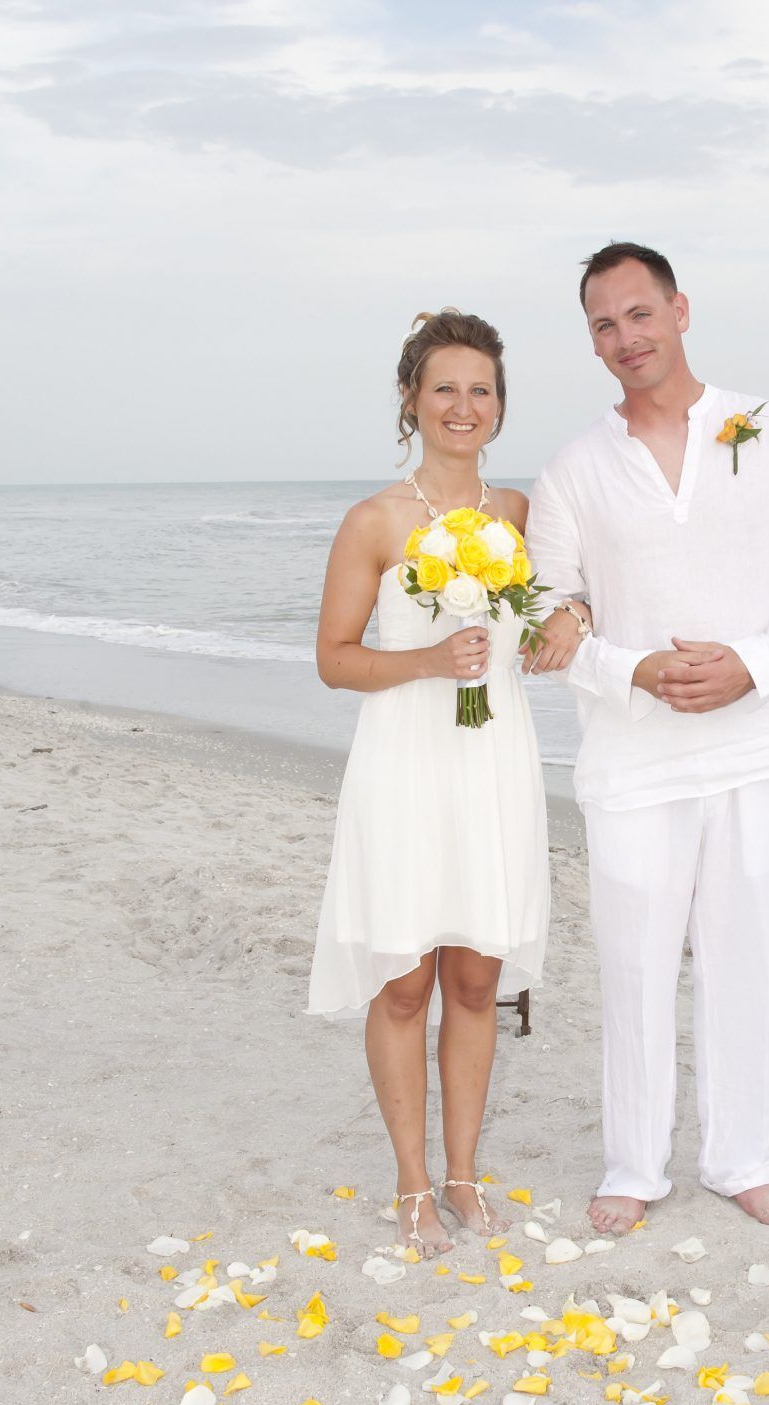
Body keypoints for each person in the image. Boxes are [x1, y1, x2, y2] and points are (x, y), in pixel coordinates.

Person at [524, 242, 769, 1236]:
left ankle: (739, 1157)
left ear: (678, 309)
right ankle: (632, 1165)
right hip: (629, 755)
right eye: (603, 325)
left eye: (637, 313)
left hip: (752, 744)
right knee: (632, 957)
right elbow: (545, 616)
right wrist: (634, 671)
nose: (624, 337)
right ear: (591, 341)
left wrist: (751, 663)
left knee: (741, 951)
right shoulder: (573, 468)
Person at [308, 309, 549, 1256]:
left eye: (480, 389)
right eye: (444, 387)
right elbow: (333, 660)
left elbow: (542, 625)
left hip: (493, 762)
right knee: (405, 983)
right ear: (411, 400)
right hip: (406, 759)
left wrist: (556, 628)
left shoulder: (520, 514)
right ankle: (412, 1183)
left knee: (479, 977)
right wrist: (426, 661)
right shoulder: (374, 520)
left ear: (500, 406)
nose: (463, 405)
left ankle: (463, 1175)